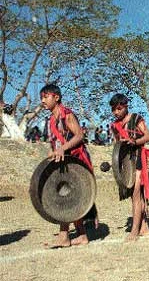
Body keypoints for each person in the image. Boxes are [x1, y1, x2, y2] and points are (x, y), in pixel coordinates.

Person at [40, 84, 98, 247]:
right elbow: (56, 143)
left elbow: (79, 135)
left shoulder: (67, 114)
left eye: (46, 97)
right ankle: (80, 235)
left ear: (56, 97)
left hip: (76, 160)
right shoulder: (51, 119)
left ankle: (64, 235)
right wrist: (53, 153)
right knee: (67, 196)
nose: (43, 101)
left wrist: (62, 149)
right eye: (42, 98)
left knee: (69, 196)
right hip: (64, 161)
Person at [110, 93, 149, 241]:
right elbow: (117, 146)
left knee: (136, 193)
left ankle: (134, 231)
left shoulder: (136, 118)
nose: (116, 112)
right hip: (126, 163)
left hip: (138, 158)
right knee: (136, 195)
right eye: (114, 110)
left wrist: (135, 142)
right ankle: (144, 225)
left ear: (126, 106)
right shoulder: (114, 126)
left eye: (119, 108)